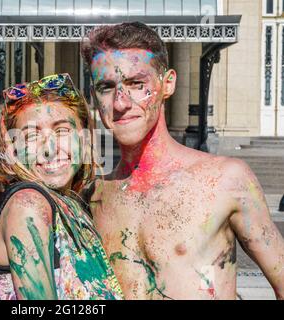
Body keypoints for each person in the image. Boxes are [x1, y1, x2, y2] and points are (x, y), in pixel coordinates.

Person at [81, 22, 284, 300]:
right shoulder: (90, 197)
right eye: (106, 87)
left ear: (168, 83)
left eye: (136, 84)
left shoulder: (225, 180)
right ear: (94, 96)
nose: (120, 103)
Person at [0, 73, 124, 300]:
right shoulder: (28, 206)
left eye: (62, 131)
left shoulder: (72, 204)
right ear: (13, 149)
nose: (49, 148)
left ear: (85, 138)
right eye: (30, 136)